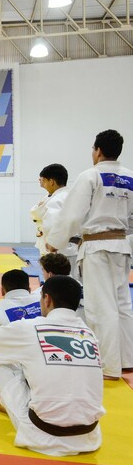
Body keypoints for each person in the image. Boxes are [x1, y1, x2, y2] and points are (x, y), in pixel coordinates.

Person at [0, 276, 104, 456]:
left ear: (47, 299)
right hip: (88, 435)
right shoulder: (89, 334)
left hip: (42, 434)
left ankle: (8, 403)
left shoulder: (30, 327)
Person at [46, 129, 133, 380]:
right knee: (122, 304)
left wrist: (54, 241)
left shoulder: (91, 176)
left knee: (100, 307)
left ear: (97, 150)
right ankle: (126, 359)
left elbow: (72, 215)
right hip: (121, 246)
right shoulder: (130, 178)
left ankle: (108, 367)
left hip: (97, 247)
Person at [30, 164, 79, 279]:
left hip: (59, 250)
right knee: (74, 281)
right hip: (75, 248)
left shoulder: (56, 199)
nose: (41, 183)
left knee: (57, 283)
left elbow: (52, 224)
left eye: (44, 180)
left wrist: (52, 243)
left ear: (51, 181)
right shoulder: (73, 195)